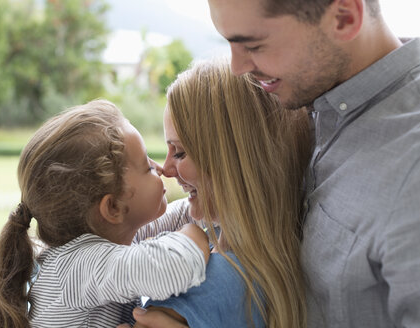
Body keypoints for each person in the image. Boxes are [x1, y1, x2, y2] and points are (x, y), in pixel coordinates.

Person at [133, 0, 420, 327]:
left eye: (254, 45)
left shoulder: (409, 169)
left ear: (343, 17)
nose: (237, 67)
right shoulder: (304, 106)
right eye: (230, 43)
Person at [0, 99, 211, 328]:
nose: (161, 168)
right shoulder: (79, 266)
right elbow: (177, 266)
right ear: (113, 208)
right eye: (147, 166)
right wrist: (192, 234)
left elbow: (179, 215)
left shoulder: (109, 238)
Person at [120, 58, 312, 328]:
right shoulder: (281, 265)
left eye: (180, 152)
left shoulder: (203, 283)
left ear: (232, 161)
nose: (166, 169)